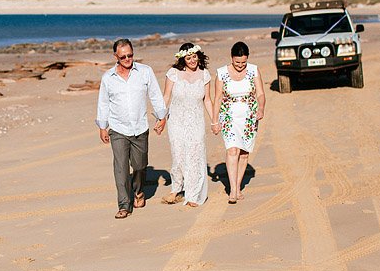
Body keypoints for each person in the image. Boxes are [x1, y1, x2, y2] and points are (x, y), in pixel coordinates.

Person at [97, 38, 167, 219]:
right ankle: (123, 204)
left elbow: (155, 95)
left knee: (139, 165)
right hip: (118, 129)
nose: (128, 59)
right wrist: (102, 126)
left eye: (130, 55)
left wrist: (162, 116)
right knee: (120, 167)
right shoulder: (108, 78)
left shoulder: (145, 72)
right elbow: (103, 104)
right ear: (115, 57)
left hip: (140, 128)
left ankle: (138, 191)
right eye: (123, 57)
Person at [156, 43, 214, 207]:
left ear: (198, 56)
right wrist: (160, 118)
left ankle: (193, 194)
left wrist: (214, 120)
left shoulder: (205, 75)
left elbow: (207, 100)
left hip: (196, 122)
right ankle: (176, 188)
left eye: (194, 56)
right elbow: (166, 97)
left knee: (195, 155)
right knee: (178, 155)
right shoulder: (173, 74)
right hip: (176, 122)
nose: (192, 60)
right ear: (183, 59)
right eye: (188, 57)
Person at [211, 41, 265, 204]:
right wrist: (215, 121)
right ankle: (233, 189)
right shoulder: (221, 73)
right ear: (231, 58)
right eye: (237, 62)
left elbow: (261, 94)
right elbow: (218, 98)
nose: (241, 66)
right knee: (232, 150)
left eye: (243, 62)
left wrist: (261, 108)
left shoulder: (254, 70)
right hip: (229, 116)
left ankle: (239, 185)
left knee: (244, 152)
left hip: (249, 117)